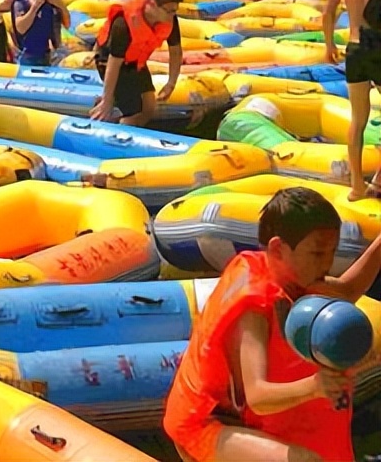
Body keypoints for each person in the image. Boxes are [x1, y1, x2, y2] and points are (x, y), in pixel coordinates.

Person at [163, 186, 381, 462]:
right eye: (317, 254)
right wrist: (315, 385)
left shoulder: (289, 273)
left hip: (241, 416)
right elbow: (258, 396)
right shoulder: (253, 309)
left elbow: (348, 290)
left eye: (332, 252)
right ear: (278, 248)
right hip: (206, 422)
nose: (327, 264)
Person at [324, 0, 381, 201]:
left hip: (355, 47)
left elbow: (329, 10)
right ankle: (380, 178)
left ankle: (357, 186)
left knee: (358, 120)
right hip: (379, 44)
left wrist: (329, 44)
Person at [91, 0, 183, 126]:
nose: (172, 15)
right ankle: (116, 129)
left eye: (174, 10)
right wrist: (107, 99)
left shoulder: (169, 20)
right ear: (152, 4)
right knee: (135, 113)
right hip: (109, 62)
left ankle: (114, 112)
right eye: (169, 10)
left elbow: (176, 52)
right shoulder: (124, 24)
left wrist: (171, 83)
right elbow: (114, 64)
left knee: (148, 109)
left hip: (136, 63)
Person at [12, 0, 69, 67]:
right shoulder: (23, 1)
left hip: (46, 53)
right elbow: (20, 28)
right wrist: (34, 8)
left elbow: (67, 24)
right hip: (27, 54)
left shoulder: (53, 3)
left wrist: (61, 5)